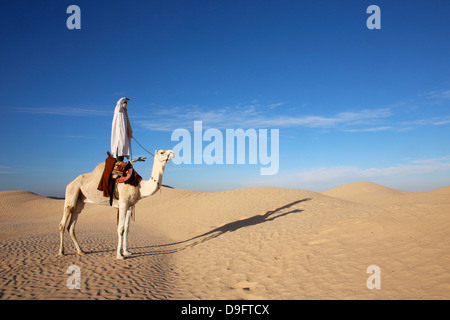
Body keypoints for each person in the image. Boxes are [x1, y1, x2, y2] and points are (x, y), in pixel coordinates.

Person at [111, 97, 133, 161]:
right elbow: (119, 103)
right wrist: (124, 98)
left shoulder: (124, 111)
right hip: (119, 130)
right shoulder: (118, 109)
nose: (125, 104)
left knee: (124, 144)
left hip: (124, 131)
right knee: (120, 143)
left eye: (126, 103)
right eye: (124, 103)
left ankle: (122, 157)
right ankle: (118, 156)